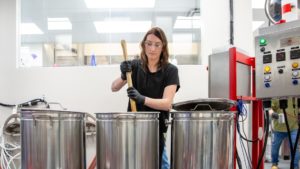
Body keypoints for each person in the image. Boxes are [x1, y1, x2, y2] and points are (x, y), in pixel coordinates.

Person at [111, 27, 180, 169]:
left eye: (157, 44)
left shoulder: (171, 71)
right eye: (149, 44)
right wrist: (124, 75)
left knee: (158, 162)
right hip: (134, 127)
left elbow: (167, 104)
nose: (152, 49)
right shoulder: (135, 66)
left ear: (163, 47)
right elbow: (114, 87)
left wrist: (142, 99)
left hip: (157, 129)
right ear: (143, 45)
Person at [271, 98, 299, 169]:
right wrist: (272, 114)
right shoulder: (276, 96)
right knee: (275, 147)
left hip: (293, 127)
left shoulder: (294, 96)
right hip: (279, 128)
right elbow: (270, 109)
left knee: (295, 146)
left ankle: (294, 166)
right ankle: (274, 164)